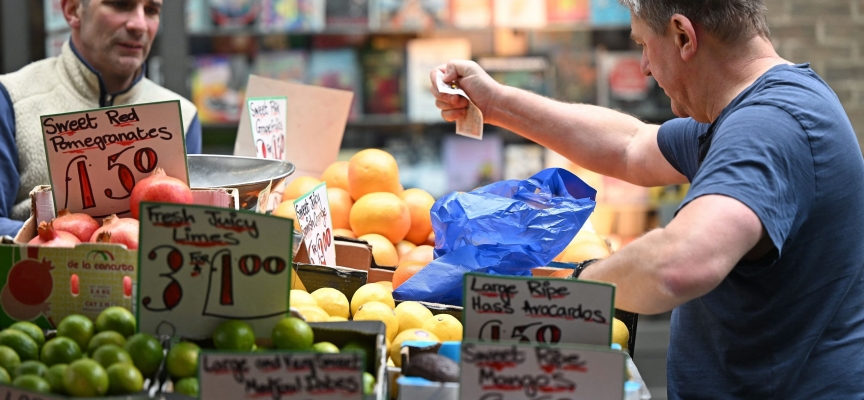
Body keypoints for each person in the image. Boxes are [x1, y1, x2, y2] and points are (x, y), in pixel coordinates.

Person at [431, 0, 864, 398]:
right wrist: (495, 101)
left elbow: (678, 264)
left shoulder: (767, 127)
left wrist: (571, 288)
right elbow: (630, 145)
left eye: (643, 44)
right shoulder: (753, 111)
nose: (643, 68)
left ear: (682, 36)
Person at [0, 0, 201, 237]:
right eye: (120, 5)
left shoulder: (183, 115)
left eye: (151, 10)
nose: (139, 24)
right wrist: (67, 244)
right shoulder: (11, 98)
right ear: (73, 9)